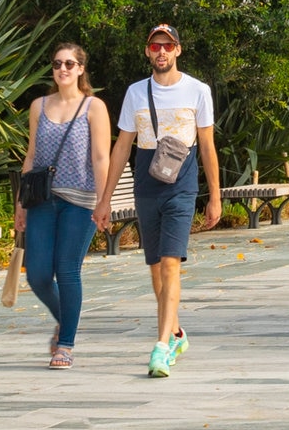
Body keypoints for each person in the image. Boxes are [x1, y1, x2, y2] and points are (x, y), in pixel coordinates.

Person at [96, 24, 219, 379]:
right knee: (154, 268)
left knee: (170, 264)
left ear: (178, 50)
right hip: (147, 185)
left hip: (182, 184)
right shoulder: (136, 93)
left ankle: (161, 347)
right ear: (148, 51)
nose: (161, 52)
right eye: (155, 46)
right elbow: (122, 147)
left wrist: (214, 197)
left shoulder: (198, 91)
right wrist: (105, 200)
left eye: (167, 46)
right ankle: (177, 333)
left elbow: (208, 146)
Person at [18, 42, 112, 370]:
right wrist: (21, 205)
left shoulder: (94, 107)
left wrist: (104, 202)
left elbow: (101, 157)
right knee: (39, 275)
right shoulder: (39, 106)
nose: (63, 69)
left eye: (70, 64)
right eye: (58, 64)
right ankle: (66, 319)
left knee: (67, 269)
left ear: (81, 69)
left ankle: (66, 344)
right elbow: (31, 155)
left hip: (81, 201)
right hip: (42, 199)